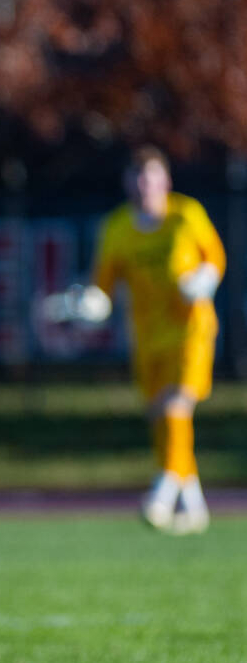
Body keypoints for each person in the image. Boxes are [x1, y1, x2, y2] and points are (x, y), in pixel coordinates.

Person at [88, 146, 225, 534]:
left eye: (151, 177)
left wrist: (203, 280)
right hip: (147, 335)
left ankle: (162, 493)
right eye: (137, 177)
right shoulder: (117, 228)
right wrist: (90, 305)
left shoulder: (186, 215)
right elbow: (104, 288)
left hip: (190, 329)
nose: (145, 185)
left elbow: (215, 258)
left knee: (177, 405)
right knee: (161, 419)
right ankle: (194, 505)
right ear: (127, 183)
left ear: (166, 181)